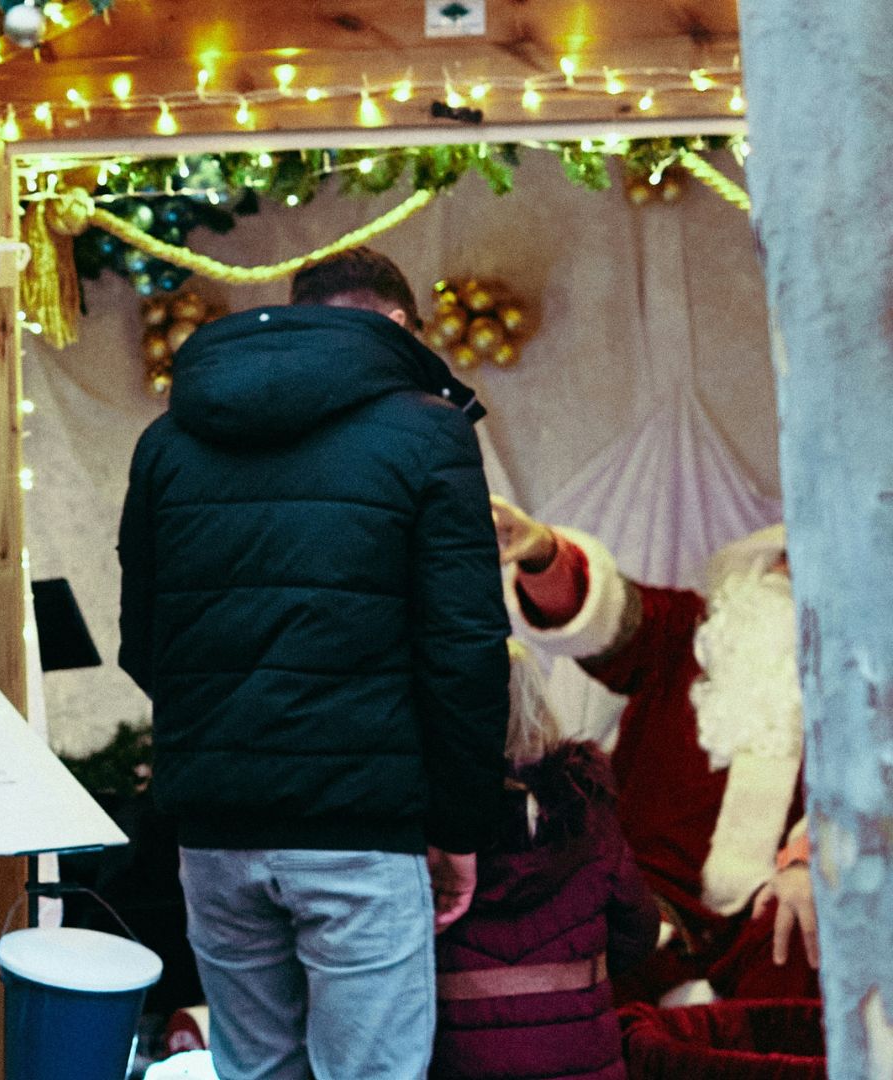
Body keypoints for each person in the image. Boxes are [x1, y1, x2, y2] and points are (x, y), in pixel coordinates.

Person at [117, 247, 511, 1080]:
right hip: (360, 828)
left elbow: (143, 643)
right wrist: (459, 825)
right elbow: (465, 655)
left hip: (215, 831)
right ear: (398, 325)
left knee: (256, 1073)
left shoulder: (168, 440)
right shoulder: (430, 432)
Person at [491, 496, 818, 1003]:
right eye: (781, 558)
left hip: (765, 904)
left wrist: (804, 862)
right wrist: (543, 555)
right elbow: (607, 619)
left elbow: (859, 801)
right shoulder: (686, 633)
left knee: (802, 938)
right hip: (650, 894)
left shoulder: (854, 696)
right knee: (581, 949)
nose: (787, 578)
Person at [430, 644, 660, 1080]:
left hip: (464, 1053)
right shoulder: (587, 811)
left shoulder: (434, 817)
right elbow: (639, 931)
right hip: (581, 1052)